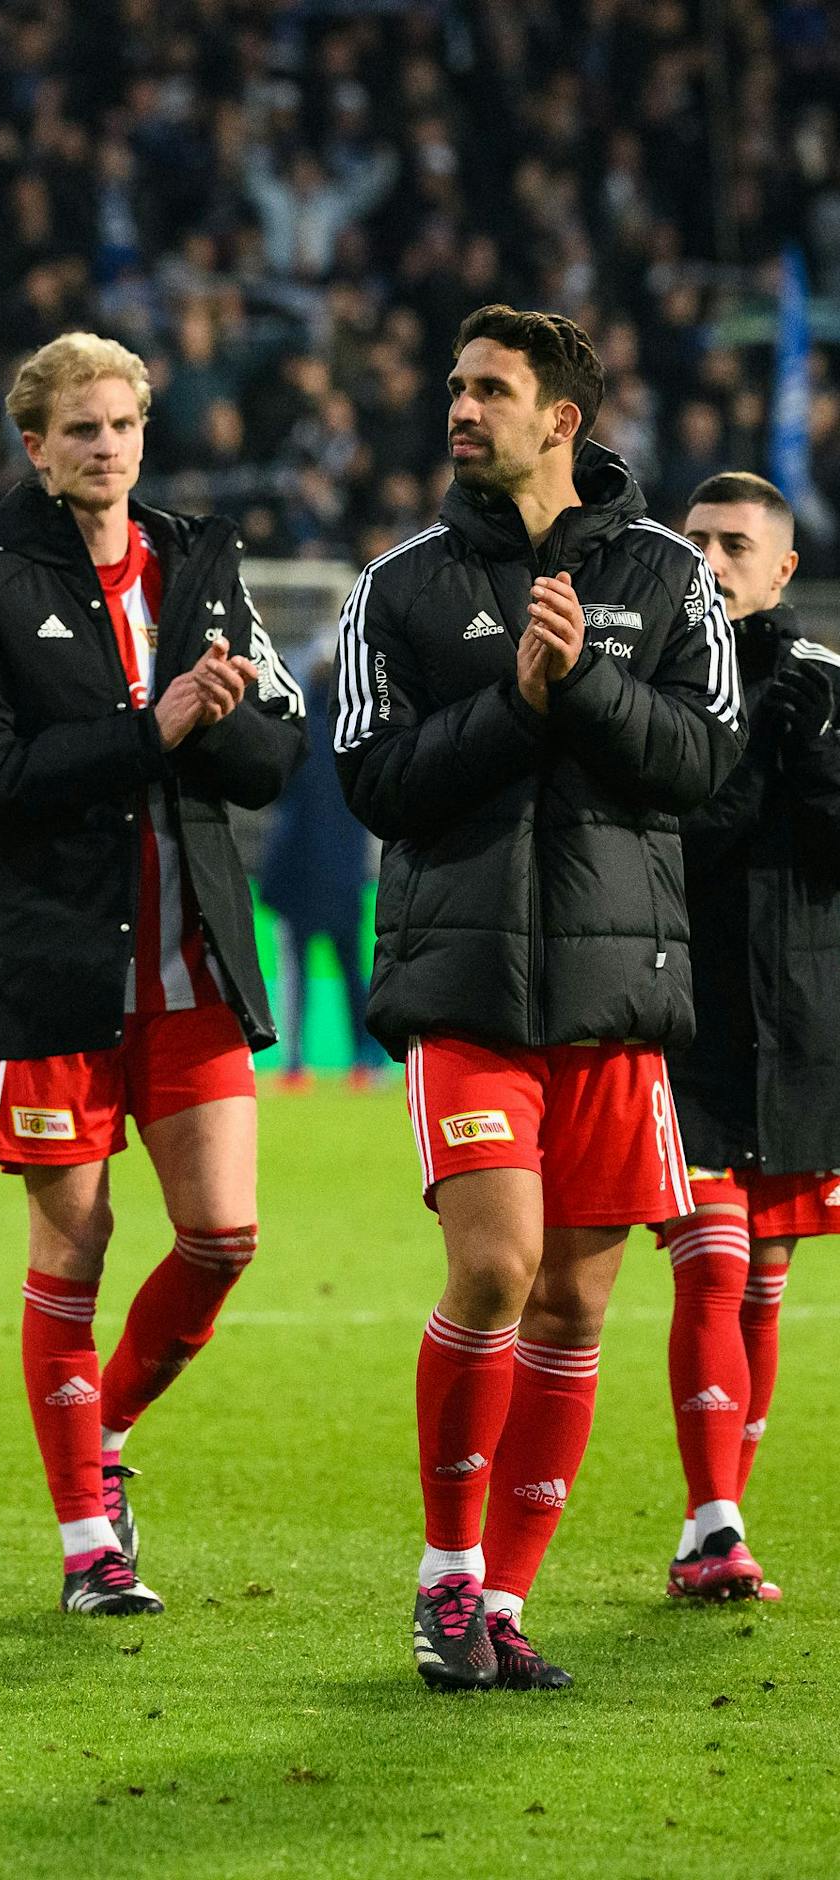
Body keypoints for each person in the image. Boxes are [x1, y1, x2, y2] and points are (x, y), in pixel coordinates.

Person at [333, 306, 744, 1691]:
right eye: (455, 386)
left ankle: (502, 1604)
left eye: (490, 389)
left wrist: (589, 686)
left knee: (572, 1307)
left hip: (618, 994)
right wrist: (519, 700)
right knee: (498, 1268)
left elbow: (700, 765)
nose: (461, 407)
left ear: (560, 417)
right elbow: (370, 783)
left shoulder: (674, 576)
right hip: (466, 987)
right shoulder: (400, 585)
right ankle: (446, 1575)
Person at [0, 332, 307, 1617]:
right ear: (32, 447)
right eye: (78, 429)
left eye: (122, 424)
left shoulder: (202, 561)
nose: (105, 446)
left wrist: (221, 713)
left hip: (190, 958)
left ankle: (101, 1427)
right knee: (71, 1250)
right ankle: (89, 1542)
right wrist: (153, 727)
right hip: (57, 970)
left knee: (223, 1233)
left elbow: (273, 753)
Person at [657, 472, 840, 1603]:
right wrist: (753, 758)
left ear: (779, 569)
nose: (713, 560)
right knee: (712, 1262)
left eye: (735, 545)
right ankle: (716, 1518)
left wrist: (817, 769)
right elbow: (666, 845)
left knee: (759, 1276)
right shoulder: (650, 679)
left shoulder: (822, 682)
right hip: (683, 1016)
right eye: (696, 542)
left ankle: (705, 1526)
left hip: (802, 1016)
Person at [257, 642, 378, 1087]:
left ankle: (294, 1063)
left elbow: (274, 796)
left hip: (297, 879)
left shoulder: (297, 737)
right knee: (351, 973)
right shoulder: (355, 734)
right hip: (344, 878)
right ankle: (365, 1062)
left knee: (298, 973)